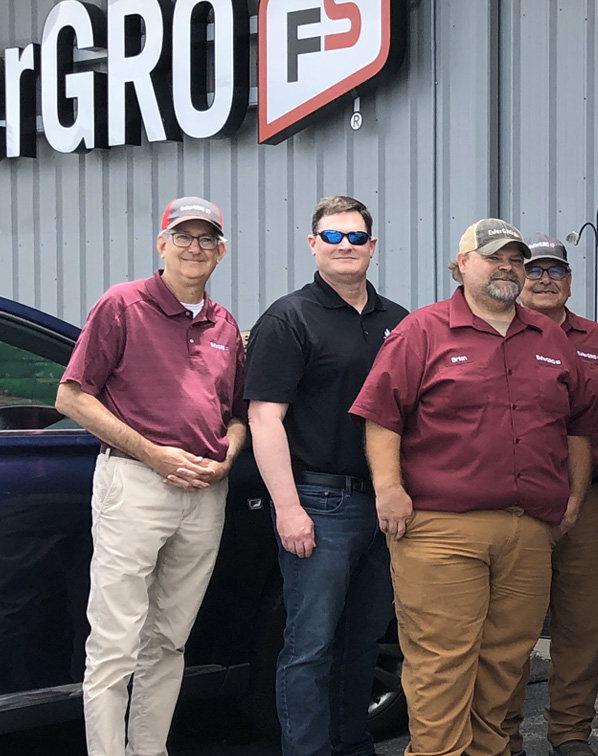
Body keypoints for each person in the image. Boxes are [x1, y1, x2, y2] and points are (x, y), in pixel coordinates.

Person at [349, 219, 598, 756]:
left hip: (529, 531)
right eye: (493, 258)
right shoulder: (423, 330)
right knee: (441, 666)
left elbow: (580, 424)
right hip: (441, 530)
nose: (507, 267)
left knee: (505, 667)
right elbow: (382, 416)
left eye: (515, 259)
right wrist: (388, 489)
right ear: (461, 265)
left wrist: (573, 500)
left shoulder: (548, 336)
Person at [56, 197, 247, 756]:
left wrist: (228, 458)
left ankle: (149, 749)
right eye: (182, 237)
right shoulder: (122, 306)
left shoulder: (224, 325)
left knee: (169, 641)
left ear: (221, 252)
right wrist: (153, 453)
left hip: (206, 494)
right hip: (136, 485)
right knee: (114, 643)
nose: (195, 248)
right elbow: (71, 396)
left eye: (206, 240)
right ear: (161, 245)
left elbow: (237, 415)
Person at [246, 196, 409, 756]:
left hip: (383, 505)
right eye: (332, 237)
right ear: (313, 244)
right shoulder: (289, 318)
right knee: (310, 647)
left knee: (362, 644)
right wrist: (288, 508)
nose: (345, 247)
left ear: (372, 246)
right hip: (318, 500)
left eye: (355, 237)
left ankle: (354, 746)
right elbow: (264, 417)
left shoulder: (399, 323)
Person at [500, 233, 598, 756]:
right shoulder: (496, 331)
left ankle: (571, 734)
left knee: (583, 624)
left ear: (570, 280)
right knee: (511, 627)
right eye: (536, 270)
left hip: (586, 500)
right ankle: (503, 734)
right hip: (519, 501)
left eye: (556, 271)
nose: (545, 279)